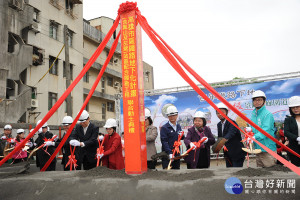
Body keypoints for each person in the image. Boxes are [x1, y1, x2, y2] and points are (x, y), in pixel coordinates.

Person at [250, 90, 277, 167]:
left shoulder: (267, 114)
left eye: (260, 100)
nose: (257, 102)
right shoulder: (253, 114)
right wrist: (250, 132)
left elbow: (266, 130)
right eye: (255, 100)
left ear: (264, 101)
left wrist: (255, 137)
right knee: (261, 174)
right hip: (258, 149)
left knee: (271, 175)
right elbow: (253, 128)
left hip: (267, 149)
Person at [216, 103, 246, 167]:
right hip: (227, 154)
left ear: (226, 112)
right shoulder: (219, 124)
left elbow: (231, 133)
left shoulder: (232, 123)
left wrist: (223, 140)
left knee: (236, 174)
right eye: (218, 113)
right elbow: (220, 137)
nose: (220, 114)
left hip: (237, 153)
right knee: (229, 173)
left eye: (222, 112)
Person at [160, 105, 184, 169]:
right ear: (167, 116)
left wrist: (182, 135)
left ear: (177, 115)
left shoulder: (178, 126)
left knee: (176, 172)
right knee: (167, 173)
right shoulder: (164, 128)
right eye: (170, 115)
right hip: (167, 154)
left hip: (176, 154)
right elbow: (164, 141)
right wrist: (169, 153)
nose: (172, 117)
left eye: (174, 115)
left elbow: (181, 138)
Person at [284, 96, 300, 166]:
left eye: (297, 107)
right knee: (295, 169)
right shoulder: (288, 119)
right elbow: (286, 132)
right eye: (293, 107)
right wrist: (297, 138)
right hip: (294, 148)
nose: (295, 109)